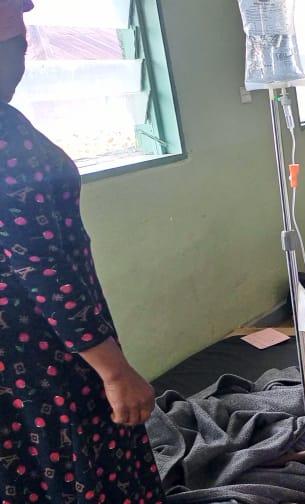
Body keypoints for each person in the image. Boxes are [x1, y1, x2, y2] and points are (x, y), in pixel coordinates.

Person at [0, 6, 164, 502]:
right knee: (76, 469)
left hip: (37, 347)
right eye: (16, 44)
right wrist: (114, 371)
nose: (22, 58)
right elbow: (40, 268)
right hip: (41, 354)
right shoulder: (7, 143)